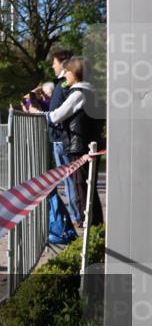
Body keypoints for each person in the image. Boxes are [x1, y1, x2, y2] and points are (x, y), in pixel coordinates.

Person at [46, 57, 103, 227]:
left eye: (68, 72)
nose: (65, 76)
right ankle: (96, 225)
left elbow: (56, 116)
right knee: (88, 187)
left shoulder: (79, 93)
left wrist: (41, 115)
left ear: (75, 73)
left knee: (81, 187)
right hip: (88, 144)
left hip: (79, 146)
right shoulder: (91, 91)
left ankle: (89, 226)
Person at [30, 48, 82, 229]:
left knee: (69, 180)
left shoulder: (63, 86)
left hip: (62, 139)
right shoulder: (62, 86)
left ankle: (77, 216)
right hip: (60, 138)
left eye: (55, 62)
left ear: (64, 64)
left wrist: (39, 113)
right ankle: (77, 215)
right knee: (69, 180)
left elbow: (57, 114)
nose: (52, 65)